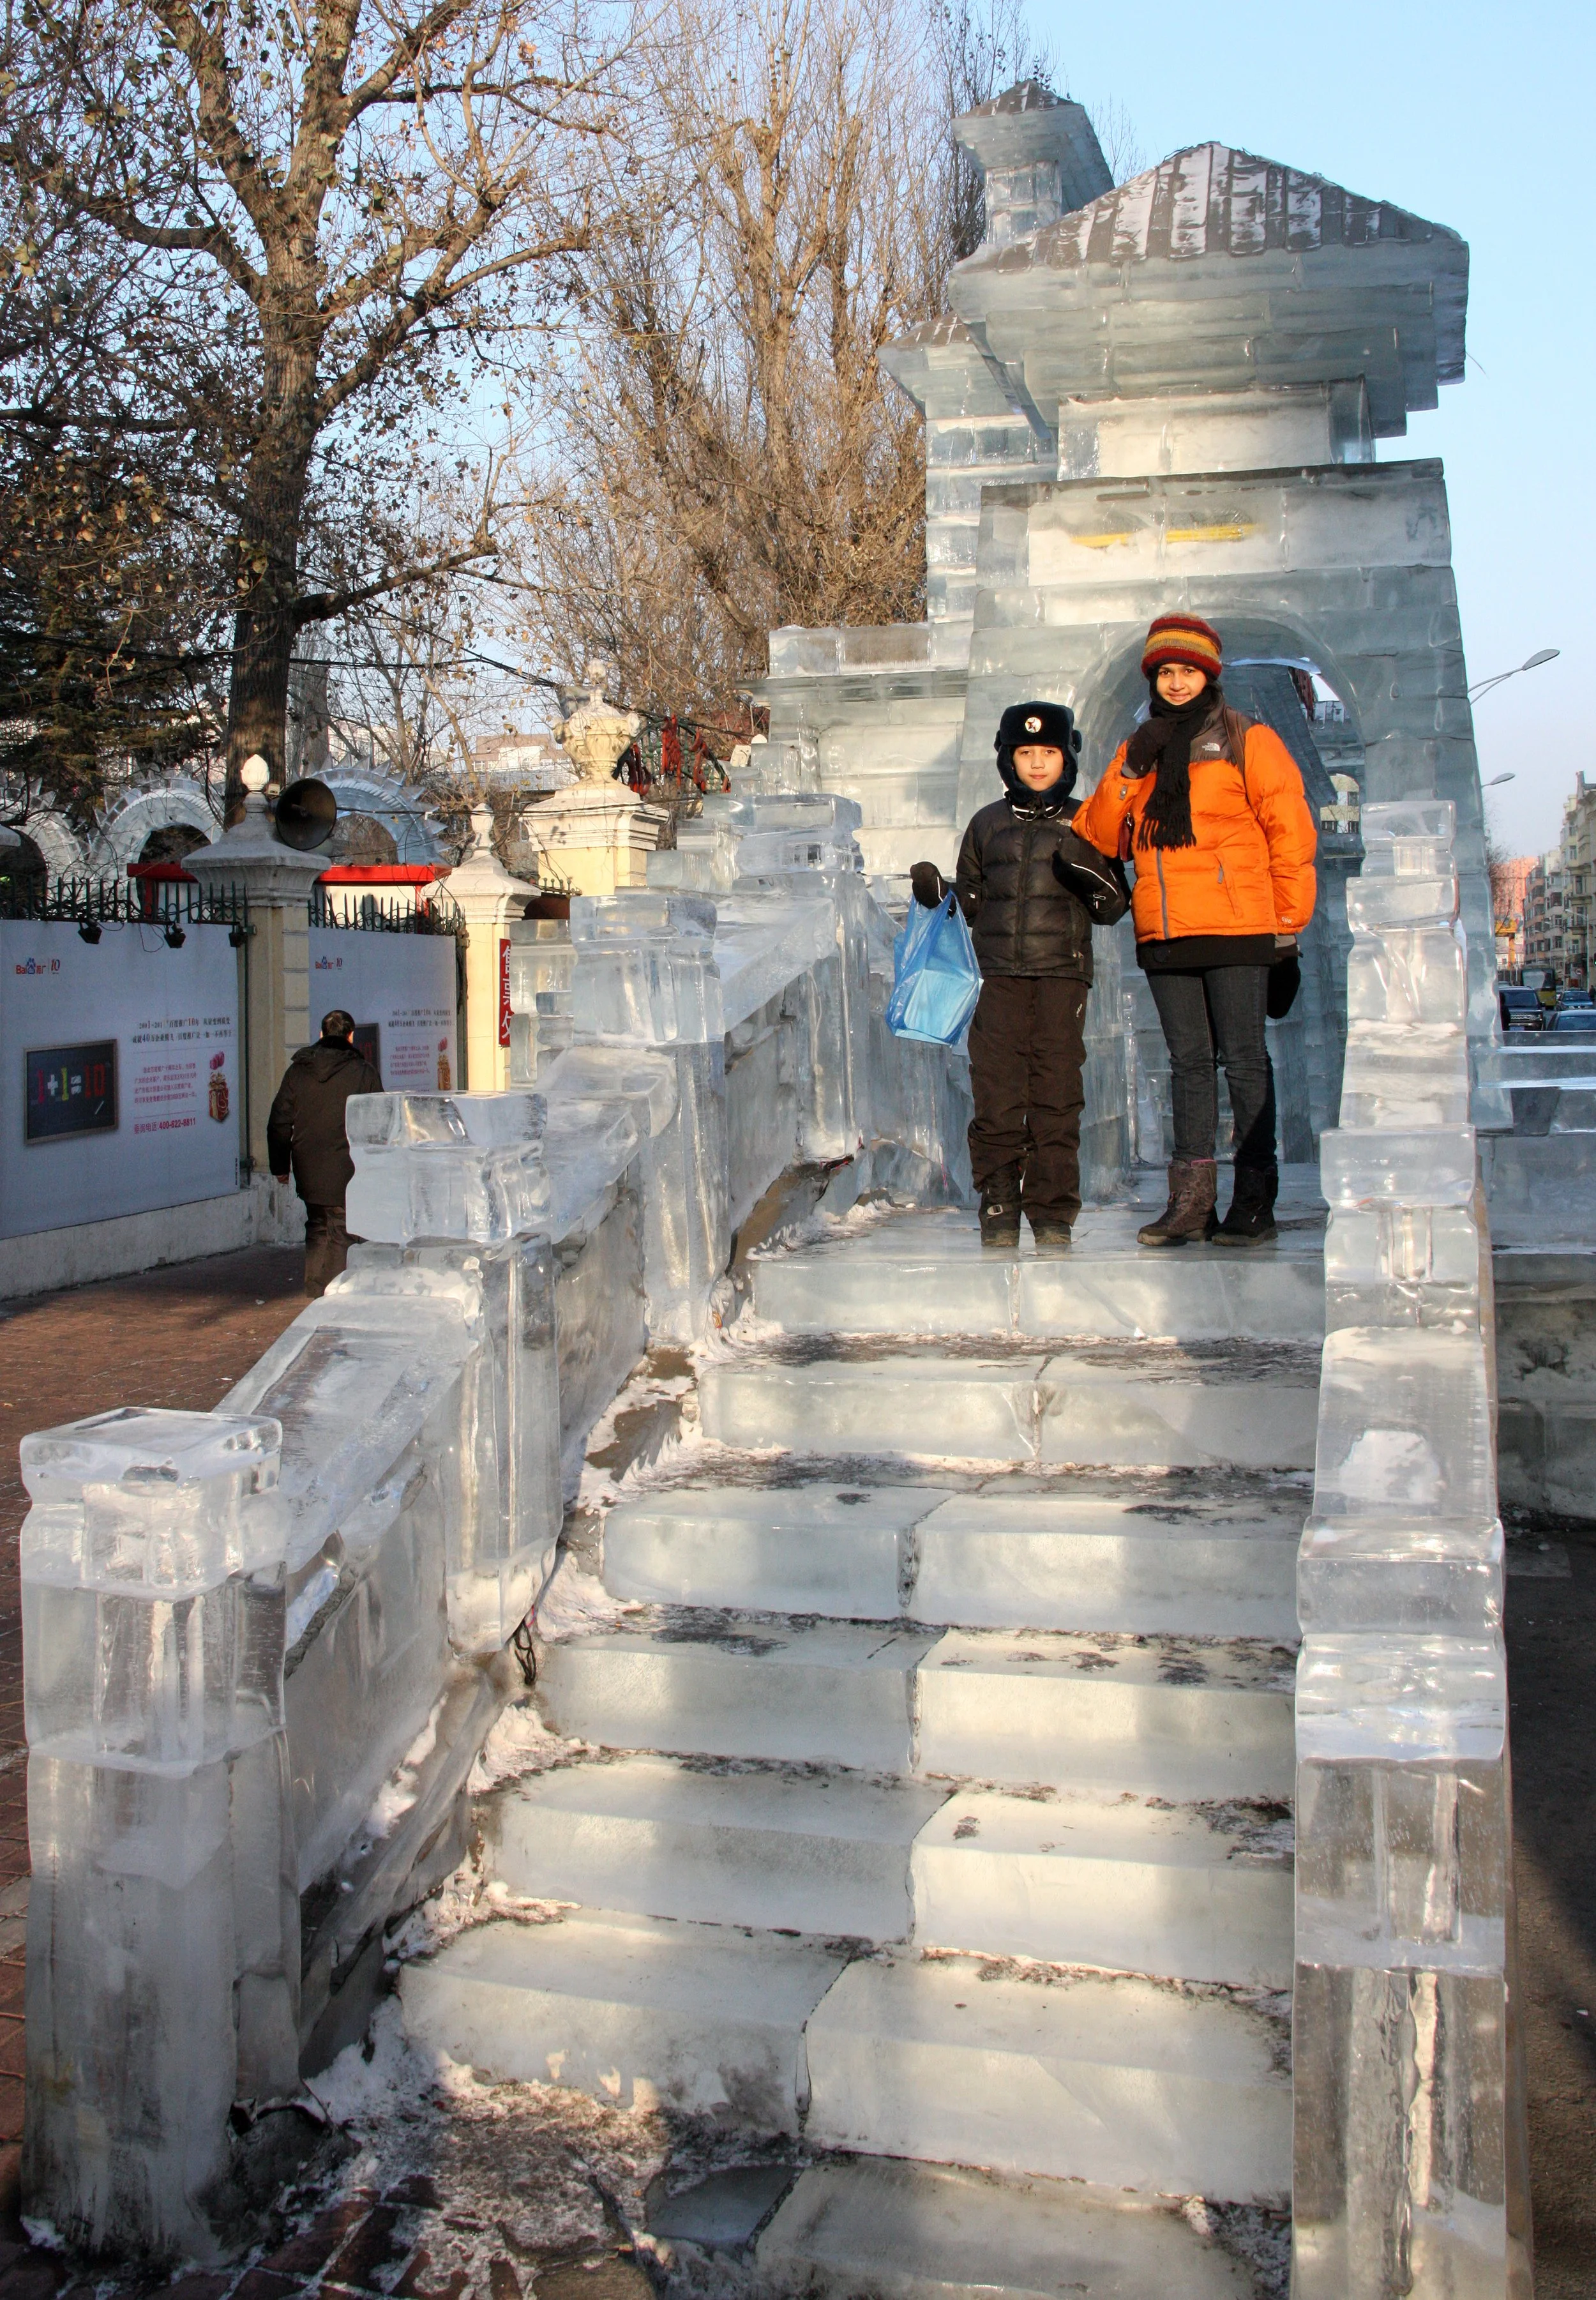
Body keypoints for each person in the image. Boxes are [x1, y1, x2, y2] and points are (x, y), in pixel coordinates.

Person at [1073, 612, 1318, 1248]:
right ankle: (1190, 1204)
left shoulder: (1247, 739)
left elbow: (1288, 834)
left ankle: (1255, 1201)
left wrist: (1287, 925)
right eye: (1165, 672)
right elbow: (1100, 836)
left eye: (1187, 671)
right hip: (1166, 930)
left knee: (1242, 1061)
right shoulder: (1139, 747)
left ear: (1206, 674)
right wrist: (1128, 772)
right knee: (1187, 1065)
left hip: (1239, 927)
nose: (1176, 683)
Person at [911, 699, 1128, 1252]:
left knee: (1057, 1092)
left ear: (1067, 758)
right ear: (1008, 760)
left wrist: (1090, 868)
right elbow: (973, 904)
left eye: (1048, 753)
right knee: (997, 1093)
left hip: (1061, 976)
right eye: (1025, 753)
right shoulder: (986, 824)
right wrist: (940, 897)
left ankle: (1053, 1210)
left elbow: (1111, 906)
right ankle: (1000, 1198)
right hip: (998, 977)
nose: (1037, 764)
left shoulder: (1088, 821)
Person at [267, 1009, 382, 1296]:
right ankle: (334, 1295)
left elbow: (279, 1121)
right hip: (347, 1166)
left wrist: (280, 1166)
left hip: (308, 1166)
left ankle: (316, 1292)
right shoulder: (363, 1072)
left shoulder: (297, 1071)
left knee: (317, 1226)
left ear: (321, 1034)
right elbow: (379, 1122)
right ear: (351, 1036)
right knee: (342, 1228)